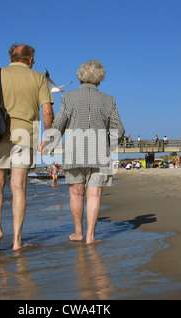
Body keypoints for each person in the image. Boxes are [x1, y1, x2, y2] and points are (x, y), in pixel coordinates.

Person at [0, 44, 54, 251]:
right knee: (18, 188)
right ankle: (17, 241)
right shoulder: (38, 78)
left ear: (11, 58)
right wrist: (49, 135)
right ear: (30, 59)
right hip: (26, 135)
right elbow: (47, 111)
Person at [43, 60, 124, 244]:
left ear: (80, 77)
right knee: (94, 194)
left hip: (74, 152)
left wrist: (49, 144)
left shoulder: (68, 97)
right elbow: (119, 128)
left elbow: (59, 123)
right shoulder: (109, 100)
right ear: (99, 80)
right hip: (100, 153)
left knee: (76, 193)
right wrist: (108, 146)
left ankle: (79, 233)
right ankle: (90, 236)